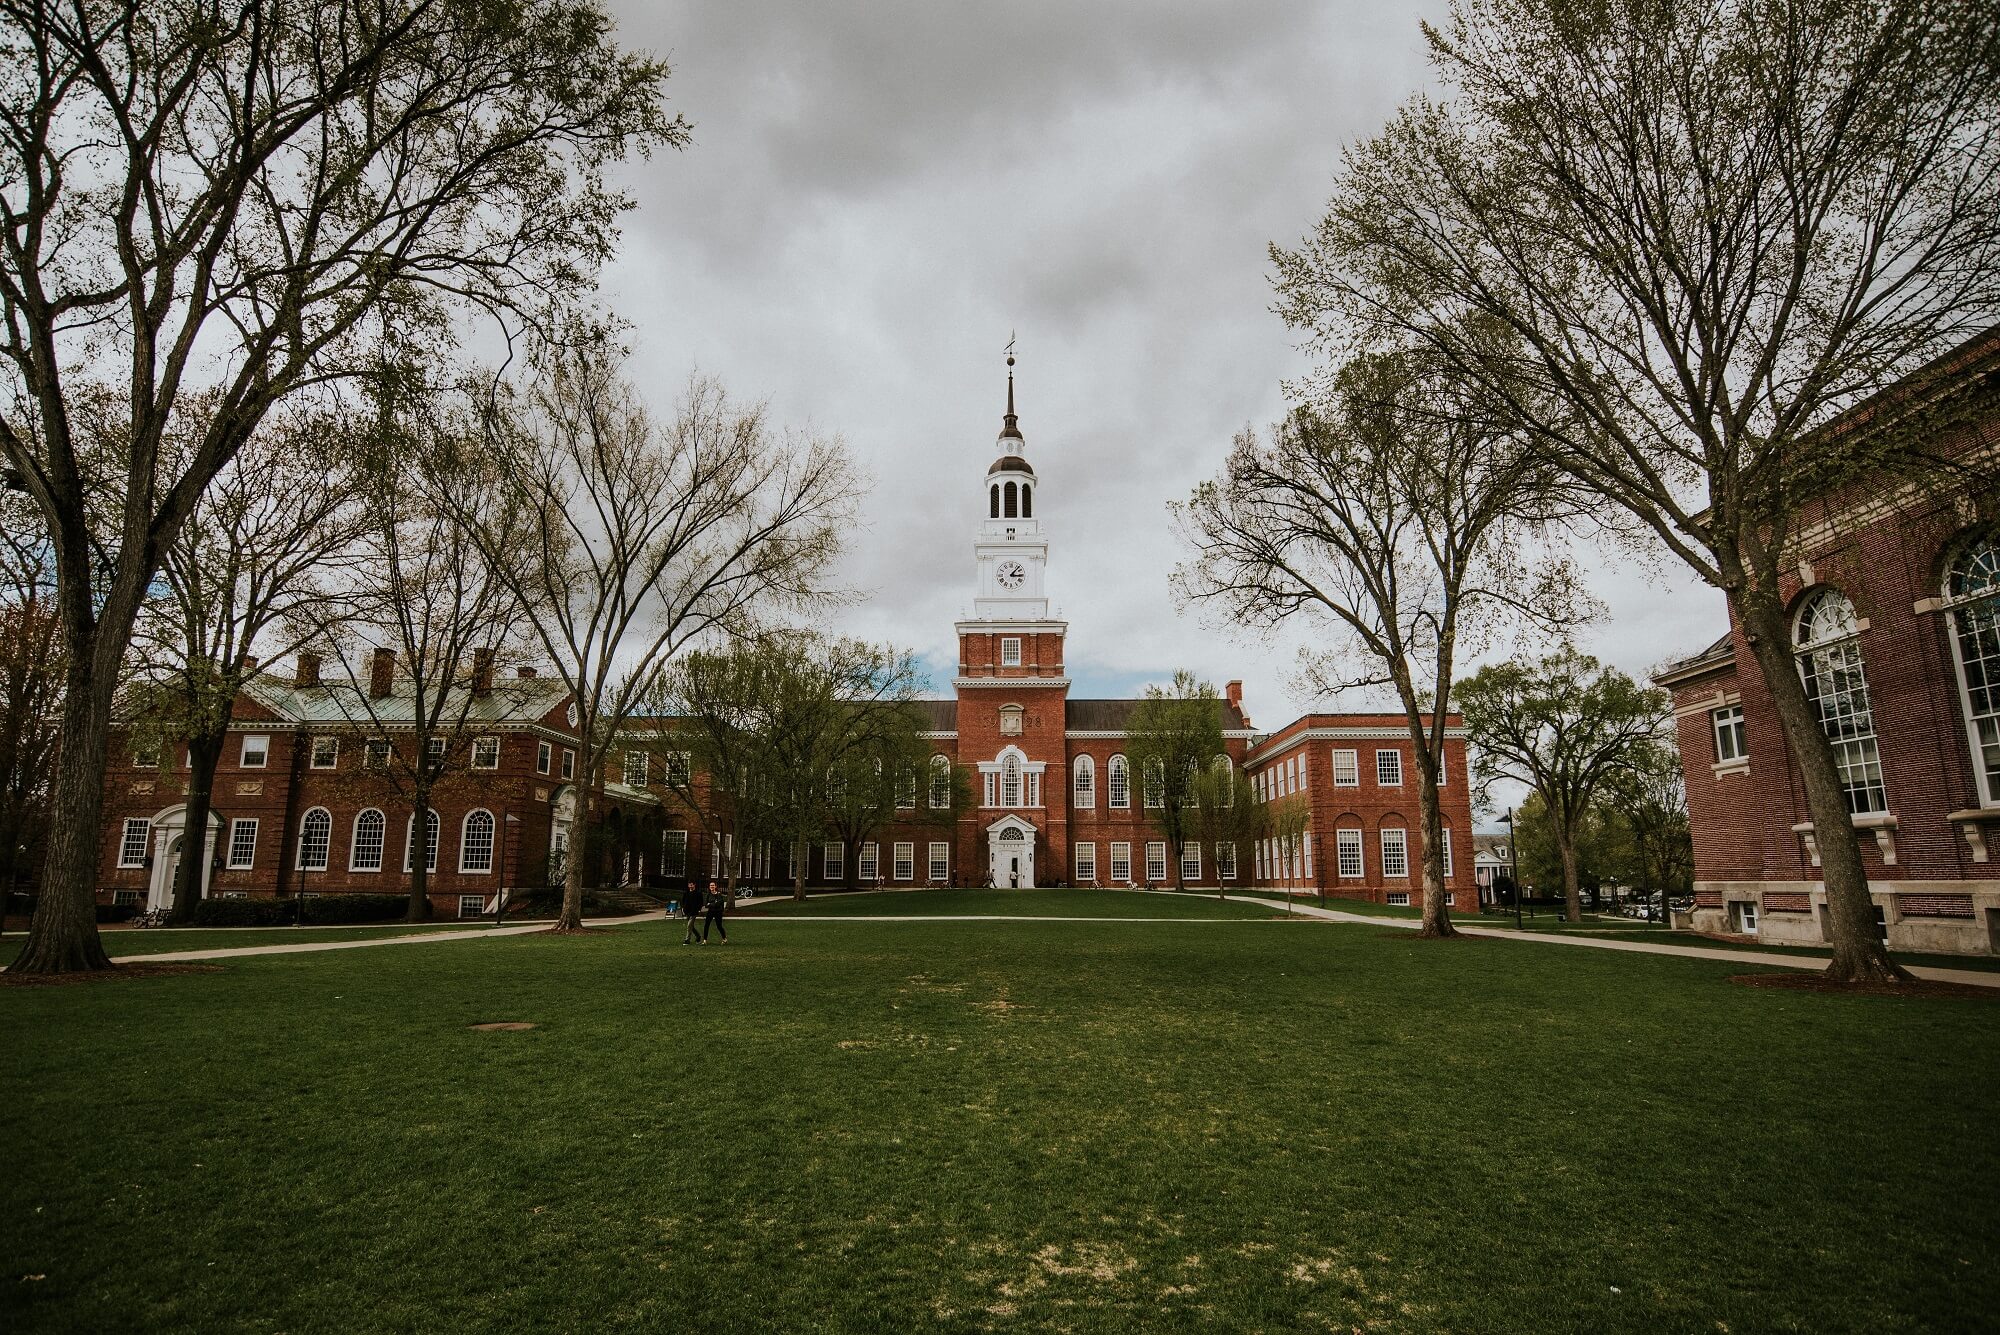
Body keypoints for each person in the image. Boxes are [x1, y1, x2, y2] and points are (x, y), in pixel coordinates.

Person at [702, 878, 728, 944]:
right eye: (711, 885)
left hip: (718, 912)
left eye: (713, 885)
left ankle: (724, 938)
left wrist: (710, 904)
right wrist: (713, 904)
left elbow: (718, 904)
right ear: (709, 887)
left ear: (715, 886)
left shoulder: (719, 895)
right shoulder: (708, 895)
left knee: (719, 926)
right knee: (706, 925)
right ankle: (705, 940)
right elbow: (705, 905)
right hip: (710, 912)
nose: (712, 887)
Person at [682, 879, 706, 945]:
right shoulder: (686, 893)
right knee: (691, 926)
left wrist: (699, 909)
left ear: (694, 885)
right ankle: (698, 936)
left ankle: (687, 940)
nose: (690, 886)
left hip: (694, 912)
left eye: (691, 884)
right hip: (687, 911)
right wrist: (683, 909)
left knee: (689, 925)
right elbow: (683, 901)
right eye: (689, 885)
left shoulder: (698, 893)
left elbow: (701, 902)